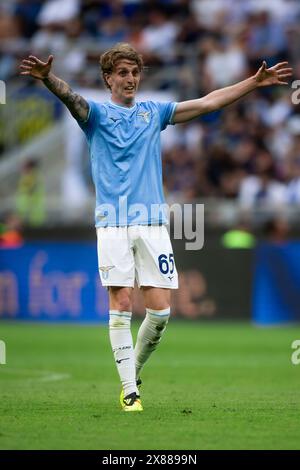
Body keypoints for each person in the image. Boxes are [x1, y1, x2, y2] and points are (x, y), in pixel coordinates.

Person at [20, 43, 292, 412]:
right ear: (108, 79)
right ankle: (130, 391)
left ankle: (133, 370)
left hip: (152, 224)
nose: (130, 79)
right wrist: (49, 77)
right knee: (121, 303)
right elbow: (72, 98)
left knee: (161, 313)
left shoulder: (154, 112)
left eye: (134, 73)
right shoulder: (96, 116)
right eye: (122, 73)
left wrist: (253, 82)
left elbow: (209, 103)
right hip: (113, 223)